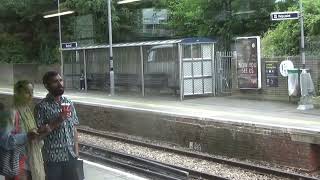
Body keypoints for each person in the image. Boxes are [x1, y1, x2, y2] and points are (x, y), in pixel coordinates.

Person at [34, 71, 80, 180]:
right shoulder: (41, 107)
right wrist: (59, 120)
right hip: (53, 159)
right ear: (46, 85)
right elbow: (38, 135)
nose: (60, 84)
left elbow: (74, 128)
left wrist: (76, 152)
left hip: (70, 156)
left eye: (61, 80)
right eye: (55, 82)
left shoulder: (68, 102)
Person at [0, 80, 45, 180]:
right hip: (18, 163)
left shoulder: (27, 110)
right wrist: (26, 136)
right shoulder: (11, 112)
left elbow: (32, 135)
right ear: (17, 93)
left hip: (31, 161)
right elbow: (4, 140)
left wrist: (40, 134)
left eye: (32, 92)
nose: (30, 95)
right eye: (27, 92)